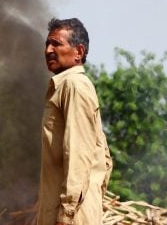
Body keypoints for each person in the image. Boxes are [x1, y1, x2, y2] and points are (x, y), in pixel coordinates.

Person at [37, 18, 112, 225]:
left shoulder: (74, 85)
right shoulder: (66, 86)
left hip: (70, 217)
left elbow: (78, 152)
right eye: (47, 44)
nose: (48, 50)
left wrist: (69, 211)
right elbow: (105, 159)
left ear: (79, 52)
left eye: (56, 44)